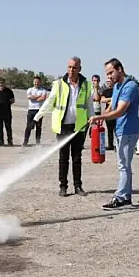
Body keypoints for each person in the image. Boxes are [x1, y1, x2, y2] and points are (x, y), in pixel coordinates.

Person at [34, 56, 94, 197]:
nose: (71, 70)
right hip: (63, 127)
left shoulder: (86, 85)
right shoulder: (59, 84)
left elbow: (89, 105)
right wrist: (37, 116)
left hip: (79, 127)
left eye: (74, 67)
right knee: (63, 157)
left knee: (77, 157)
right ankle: (63, 186)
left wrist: (93, 117)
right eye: (69, 67)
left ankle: (78, 186)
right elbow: (50, 102)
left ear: (80, 68)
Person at [90, 58, 139, 210]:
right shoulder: (118, 86)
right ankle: (126, 198)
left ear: (120, 69)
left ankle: (119, 198)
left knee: (123, 166)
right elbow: (111, 106)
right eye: (107, 74)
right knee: (125, 165)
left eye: (111, 72)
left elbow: (120, 111)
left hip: (128, 131)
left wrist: (99, 117)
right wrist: (102, 117)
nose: (109, 77)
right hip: (120, 130)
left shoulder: (130, 86)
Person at [0, 78, 15, 146]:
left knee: (8, 127)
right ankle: (1, 141)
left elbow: (12, 100)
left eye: (2, 82)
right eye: (0, 83)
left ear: (4, 83)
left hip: (7, 112)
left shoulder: (9, 91)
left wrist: (6, 104)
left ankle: (10, 141)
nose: (1, 84)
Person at [24, 76, 48, 146]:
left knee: (38, 127)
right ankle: (25, 141)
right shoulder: (30, 89)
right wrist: (37, 96)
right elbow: (29, 97)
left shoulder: (43, 90)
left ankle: (38, 142)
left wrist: (34, 97)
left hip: (39, 111)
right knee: (28, 126)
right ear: (33, 82)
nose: (36, 83)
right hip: (31, 110)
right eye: (35, 82)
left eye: (38, 82)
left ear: (40, 82)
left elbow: (42, 98)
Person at [99, 77, 117, 150]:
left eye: (109, 81)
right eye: (107, 82)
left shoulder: (117, 90)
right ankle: (110, 145)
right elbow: (102, 100)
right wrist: (112, 99)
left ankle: (118, 144)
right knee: (109, 130)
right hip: (108, 112)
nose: (108, 83)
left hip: (116, 112)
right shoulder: (105, 91)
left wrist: (109, 100)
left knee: (117, 129)